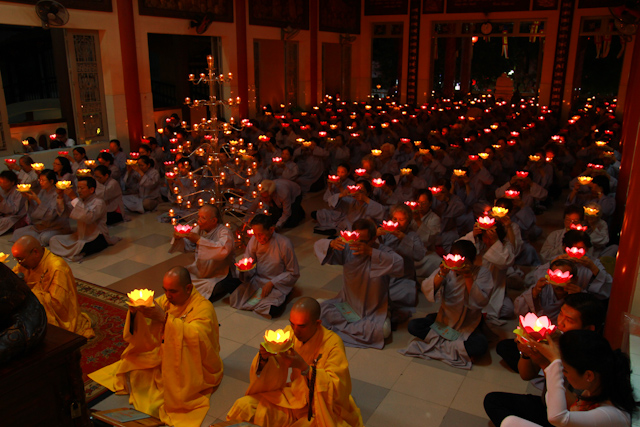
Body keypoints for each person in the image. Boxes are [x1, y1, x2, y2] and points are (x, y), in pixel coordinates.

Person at [89, 267, 223, 427]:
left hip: (192, 364)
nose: (167, 295)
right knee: (135, 371)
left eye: (172, 291)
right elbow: (147, 330)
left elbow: (197, 338)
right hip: (164, 354)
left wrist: (165, 319)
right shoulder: (167, 301)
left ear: (188, 288)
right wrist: (136, 313)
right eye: (165, 290)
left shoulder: (203, 307)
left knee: (171, 396)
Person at [226, 297, 364, 427]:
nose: (295, 331)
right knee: (244, 407)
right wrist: (264, 358)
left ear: (317, 323)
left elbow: (337, 388)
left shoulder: (333, 344)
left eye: (302, 326)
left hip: (320, 407)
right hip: (294, 397)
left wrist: (304, 368)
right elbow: (272, 371)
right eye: (292, 324)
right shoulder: (289, 334)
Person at [499, 330, 638, 427]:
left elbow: (557, 418)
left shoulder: (610, 414)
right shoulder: (598, 386)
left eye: (564, 370)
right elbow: (565, 409)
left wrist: (554, 363)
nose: (563, 374)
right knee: (508, 422)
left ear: (588, 375)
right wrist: (545, 362)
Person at [400, 239, 493, 369]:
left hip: (467, 323)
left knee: (480, 345)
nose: (458, 266)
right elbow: (428, 289)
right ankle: (457, 347)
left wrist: (467, 276)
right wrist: (442, 274)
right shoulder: (448, 269)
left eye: (463, 262)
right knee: (413, 325)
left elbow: (480, 301)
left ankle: (444, 341)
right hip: (445, 319)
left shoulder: (482, 273)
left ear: (472, 261)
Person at [314, 218, 404, 349]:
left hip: (373, 309)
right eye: (355, 238)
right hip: (348, 304)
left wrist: (371, 252)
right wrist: (331, 243)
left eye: (362, 241)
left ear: (373, 239)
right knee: (317, 308)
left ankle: (352, 328)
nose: (356, 244)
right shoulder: (348, 247)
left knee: (383, 331)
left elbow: (399, 264)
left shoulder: (382, 251)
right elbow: (318, 246)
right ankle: (352, 329)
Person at [11, 235, 94, 338]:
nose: (19, 263)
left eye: (21, 259)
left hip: (54, 314)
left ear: (35, 252)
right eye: (17, 260)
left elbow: (58, 304)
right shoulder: (24, 264)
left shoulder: (57, 267)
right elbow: (13, 279)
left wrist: (31, 295)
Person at [230, 214, 300, 318]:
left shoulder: (284, 243)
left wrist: (272, 283)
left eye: (261, 234)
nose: (258, 238)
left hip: (277, 283)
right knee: (234, 297)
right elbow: (249, 261)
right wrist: (244, 270)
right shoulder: (254, 240)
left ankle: (285, 294)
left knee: (273, 310)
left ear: (271, 230)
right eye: (255, 234)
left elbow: (293, 272)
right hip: (257, 280)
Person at [170, 204, 240, 301]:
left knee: (211, 286)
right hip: (200, 270)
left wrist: (199, 240)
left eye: (203, 218)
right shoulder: (199, 229)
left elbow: (222, 251)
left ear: (214, 220)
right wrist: (179, 238)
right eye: (198, 217)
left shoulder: (224, 232)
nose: (199, 220)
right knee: (181, 277)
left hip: (219, 273)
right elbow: (189, 246)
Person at [49, 176, 116, 261]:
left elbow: (88, 218)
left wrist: (73, 198)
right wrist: (60, 196)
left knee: (80, 245)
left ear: (91, 190)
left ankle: (74, 252)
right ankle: (74, 252)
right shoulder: (80, 201)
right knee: (53, 240)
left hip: (97, 237)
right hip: (81, 235)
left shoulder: (99, 202)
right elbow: (64, 212)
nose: (78, 191)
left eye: (82, 188)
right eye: (78, 188)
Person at [12, 169, 70, 245]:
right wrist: (29, 199)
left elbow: (51, 214)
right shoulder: (43, 191)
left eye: (43, 180)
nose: (40, 182)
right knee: (17, 232)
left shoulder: (58, 194)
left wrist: (37, 200)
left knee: (44, 238)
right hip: (42, 226)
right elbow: (35, 211)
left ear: (51, 181)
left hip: (56, 226)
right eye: (40, 180)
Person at [0, 170, 27, 235]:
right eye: (0, 182)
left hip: (14, 216)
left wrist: (1, 199)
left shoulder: (19, 191)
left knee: (6, 221)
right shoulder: (2, 191)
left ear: (12, 182)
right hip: (3, 215)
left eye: (4, 183)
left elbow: (14, 209)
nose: (2, 185)